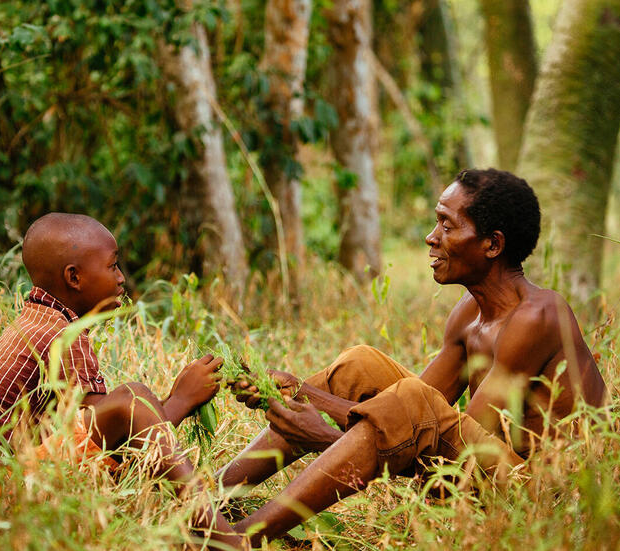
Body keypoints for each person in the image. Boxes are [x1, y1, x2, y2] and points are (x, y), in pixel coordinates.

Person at [219, 169, 607, 546]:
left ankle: (241, 539)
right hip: (487, 469)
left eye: (447, 225)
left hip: (541, 499)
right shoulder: (470, 314)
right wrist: (303, 394)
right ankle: (210, 498)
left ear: (492, 244)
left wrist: (326, 432)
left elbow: (450, 455)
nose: (430, 238)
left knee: (410, 400)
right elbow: (417, 415)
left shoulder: (538, 317)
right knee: (360, 364)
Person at [0, 212, 245, 550]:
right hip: (6, 494)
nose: (122, 278)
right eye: (112, 267)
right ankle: (224, 542)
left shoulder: (38, 320)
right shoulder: (61, 335)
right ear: (74, 277)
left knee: (133, 403)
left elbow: (103, 447)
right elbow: (122, 441)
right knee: (133, 398)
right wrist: (181, 400)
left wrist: (167, 401)